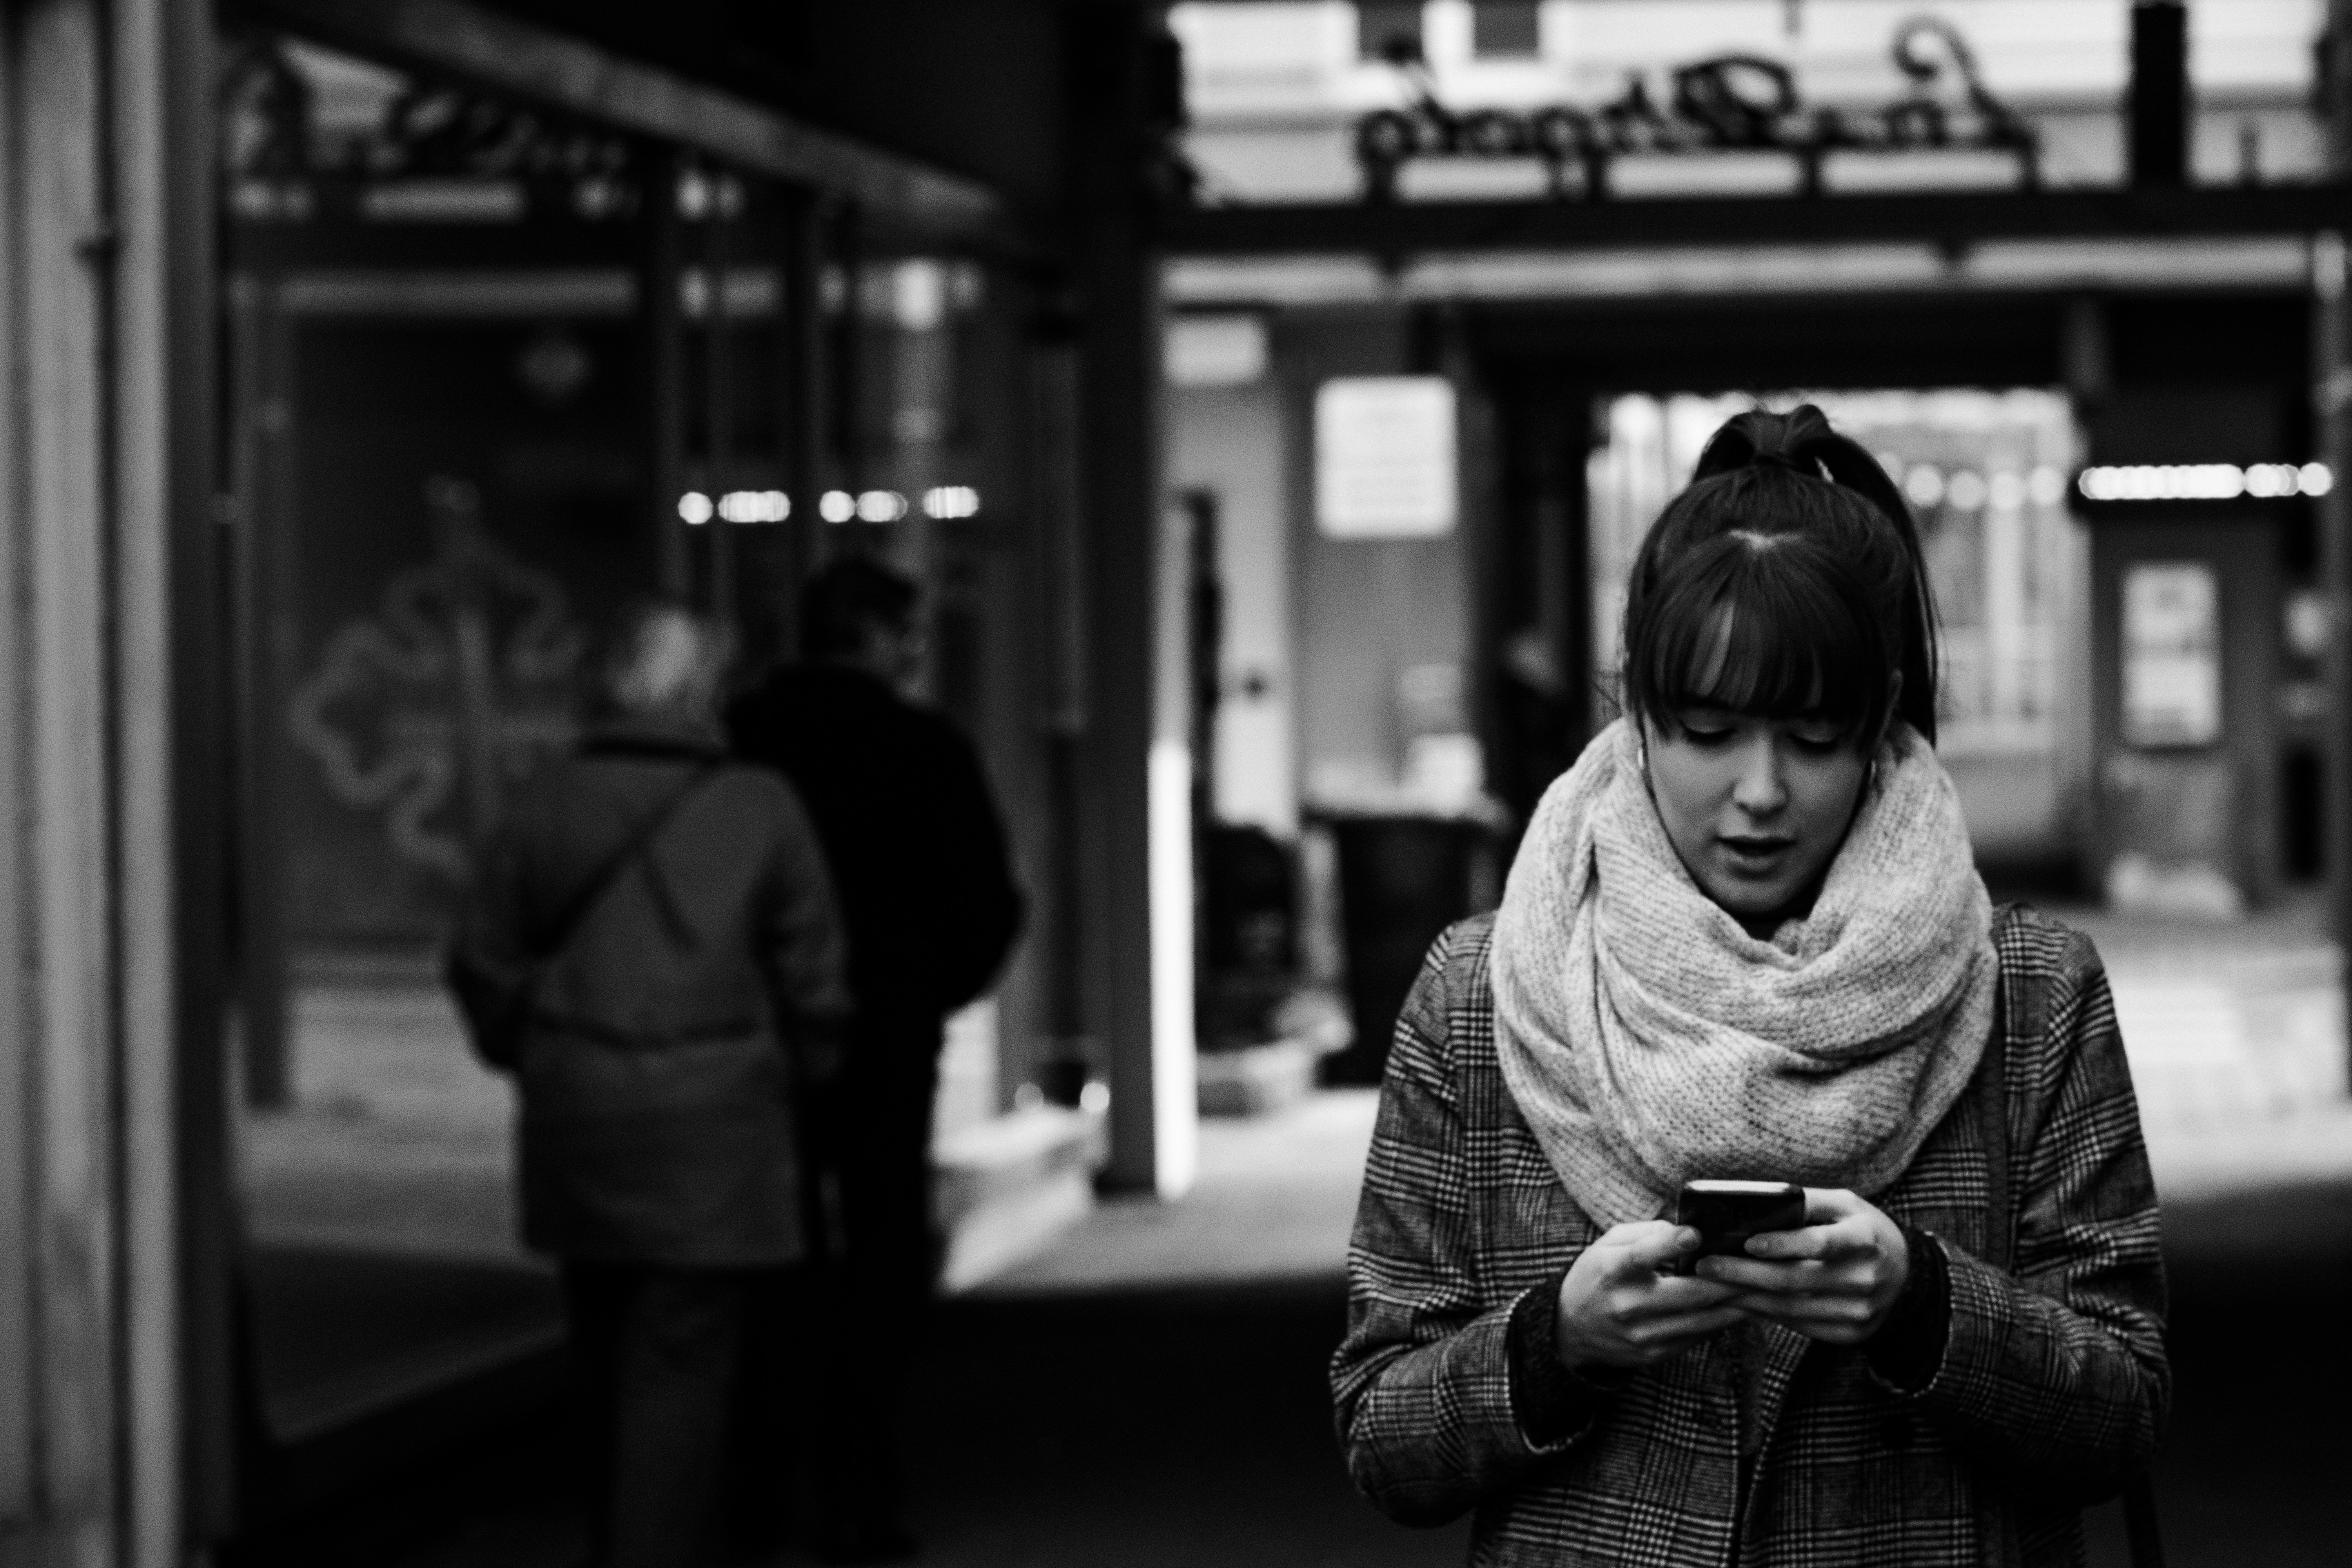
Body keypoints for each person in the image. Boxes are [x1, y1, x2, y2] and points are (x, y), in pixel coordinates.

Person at [1332, 407, 2168, 1566]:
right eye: (1711, 731)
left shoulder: (2033, 995)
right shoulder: (1482, 993)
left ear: (1879, 717)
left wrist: (1923, 1306)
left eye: (1813, 737)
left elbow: (2125, 1412)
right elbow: (1382, 1434)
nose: (1762, 791)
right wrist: (1556, 1344)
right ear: (1638, 711)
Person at [452, 603, 851, 1568]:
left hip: (580, 1115)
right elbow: (818, 984)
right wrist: (797, 1078)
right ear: (707, 692)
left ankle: (620, 1534)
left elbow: (480, 958)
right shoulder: (762, 806)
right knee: (682, 1357)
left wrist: (542, 1048)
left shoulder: (543, 802)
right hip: (718, 1127)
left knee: (601, 1337)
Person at [726, 554, 1024, 1561]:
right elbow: (987, 902)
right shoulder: (923, 748)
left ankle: (769, 1476)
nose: (918, 653)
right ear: (877, 636)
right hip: (888, 1037)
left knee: (772, 1249)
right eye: (910, 634)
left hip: (759, 1036)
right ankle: (855, 1477)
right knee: (881, 1249)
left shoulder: (743, 739)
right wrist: (926, 991)